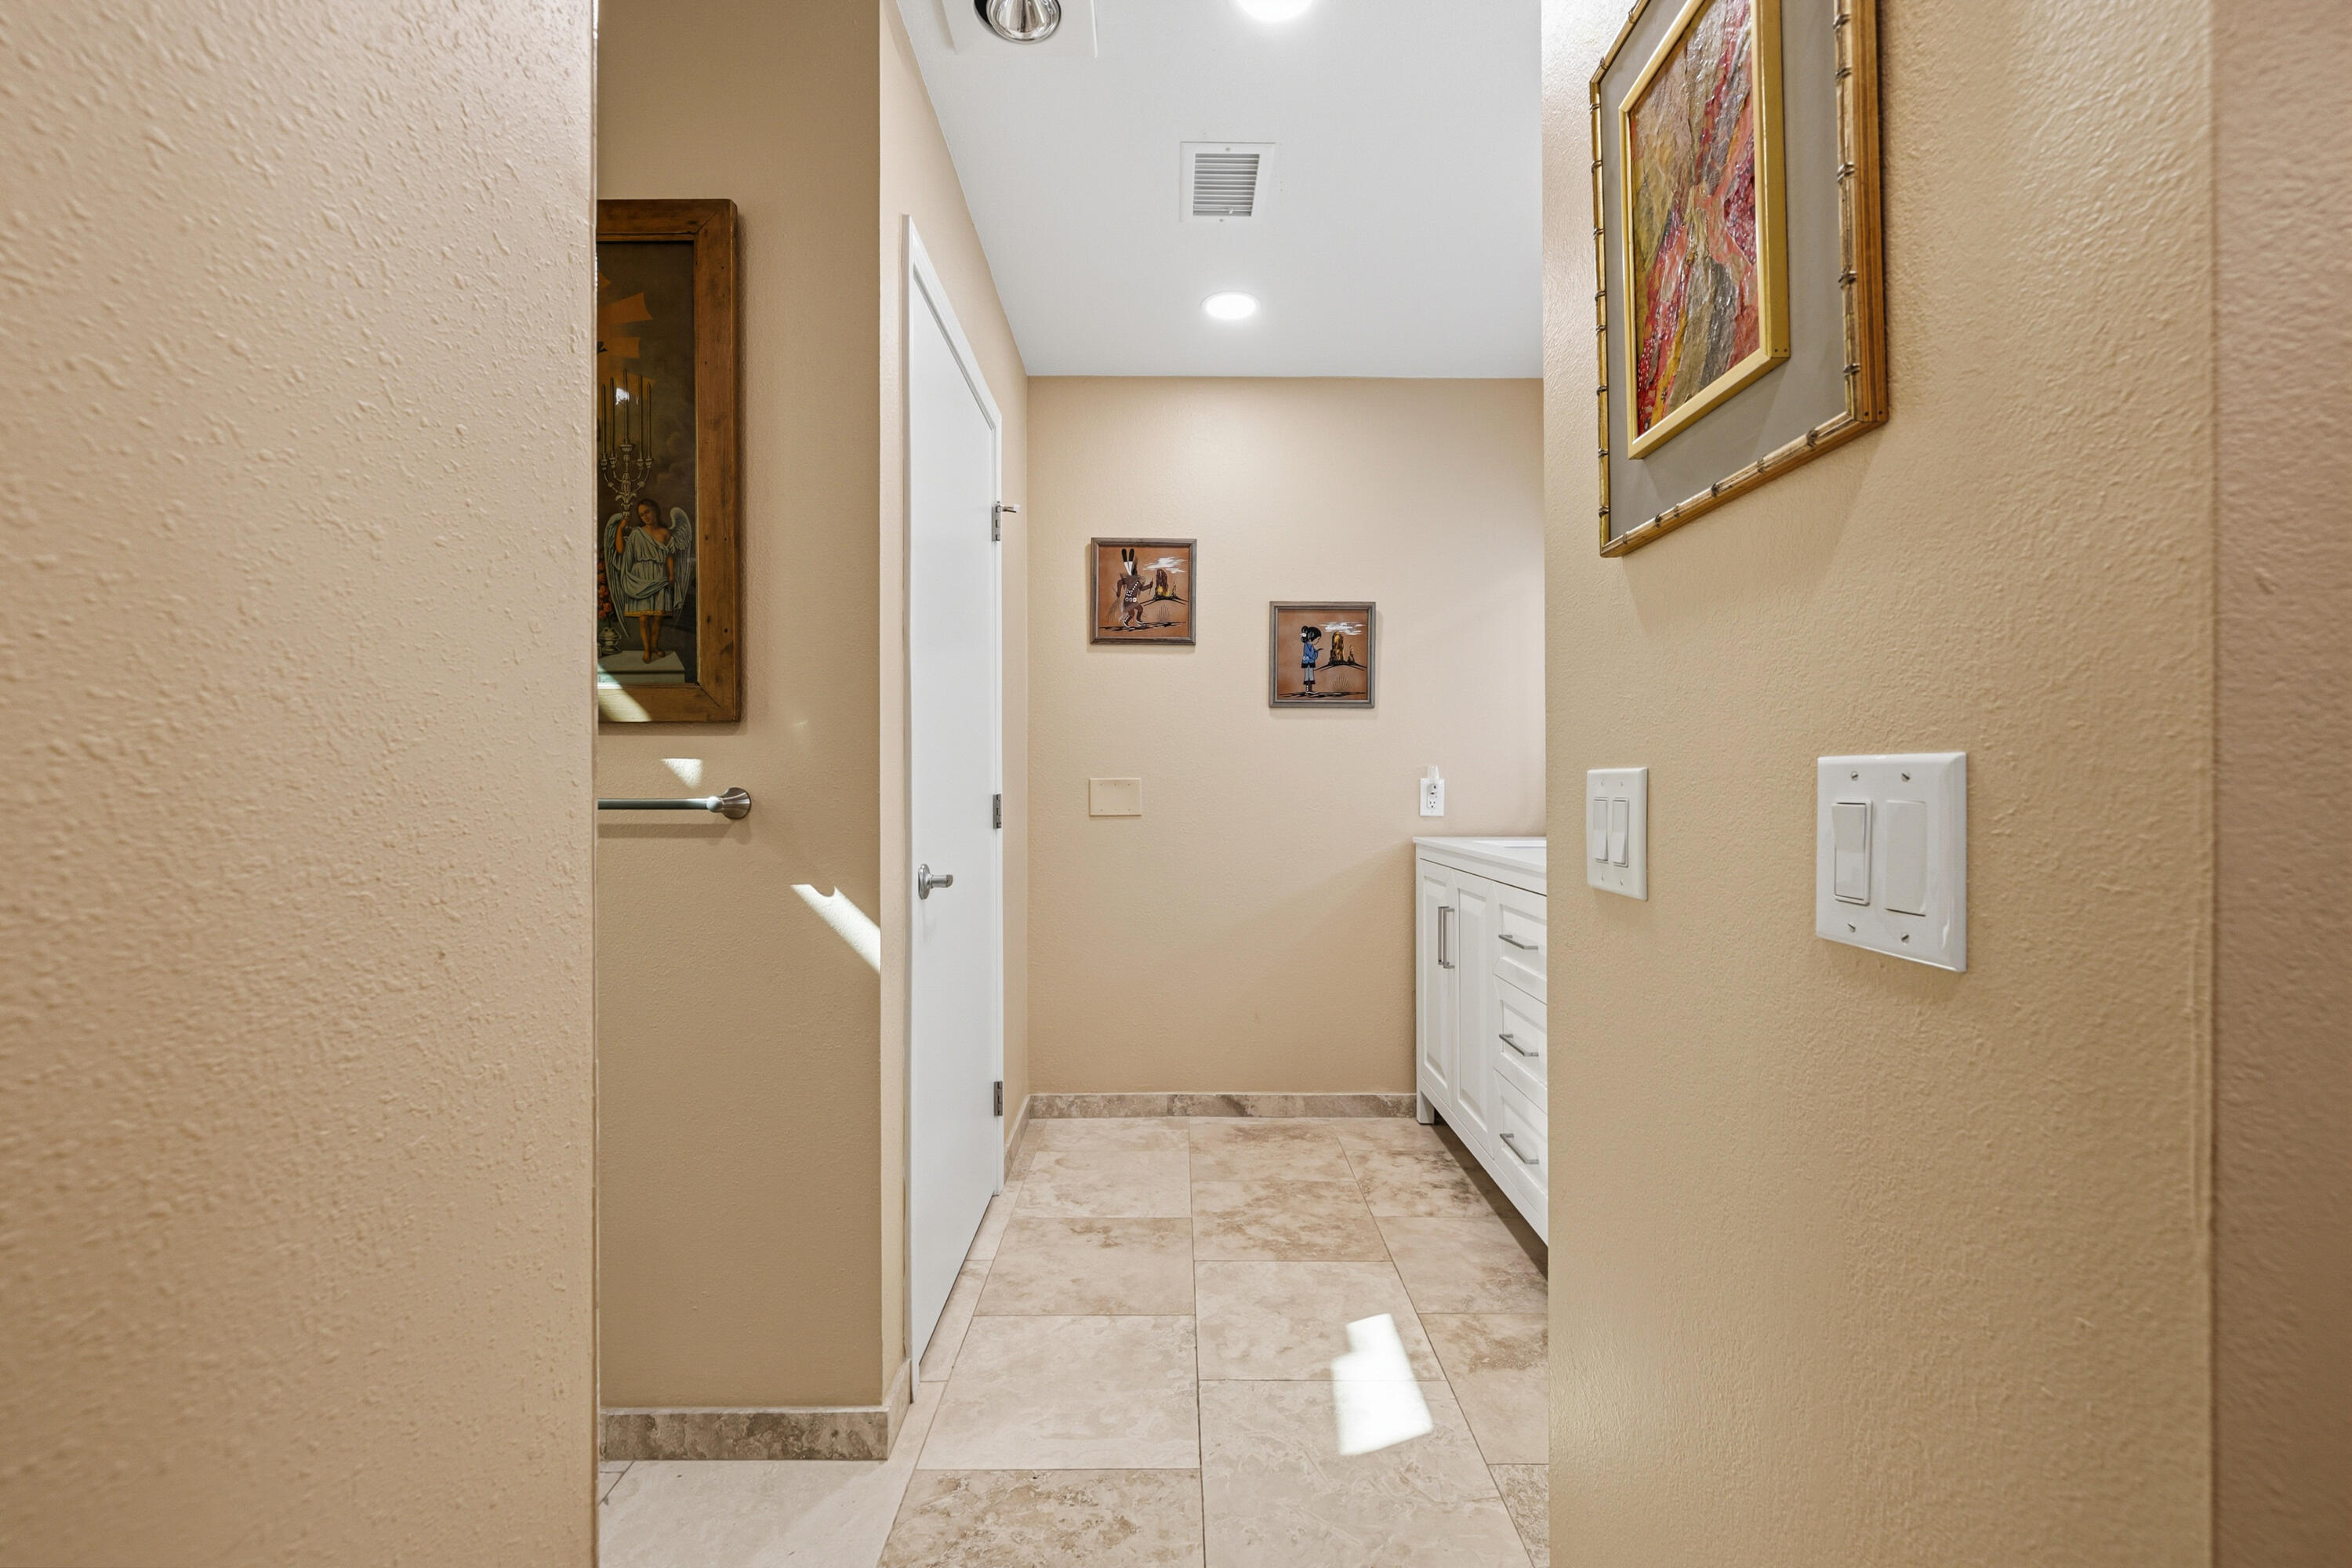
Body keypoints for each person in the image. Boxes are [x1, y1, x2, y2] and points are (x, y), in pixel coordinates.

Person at [613, 497, 685, 664]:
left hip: (659, 575)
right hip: (640, 577)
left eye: (647, 512)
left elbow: (669, 556)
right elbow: (620, 549)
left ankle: (654, 646)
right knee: (644, 618)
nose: (645, 517)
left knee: (658, 617)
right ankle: (647, 650)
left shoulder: (665, 533)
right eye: (641, 515)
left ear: (655, 511)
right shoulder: (637, 533)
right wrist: (620, 529)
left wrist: (672, 575)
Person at [1299, 625, 1323, 696]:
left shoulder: (1310, 646)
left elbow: (1312, 653)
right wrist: (1316, 652)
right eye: (1318, 639)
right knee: (1308, 676)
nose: (1318, 641)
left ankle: (1309, 690)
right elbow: (1312, 656)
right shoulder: (1307, 645)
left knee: (1310, 676)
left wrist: (1315, 651)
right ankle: (1308, 690)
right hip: (1308, 663)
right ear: (1311, 637)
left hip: (1309, 663)